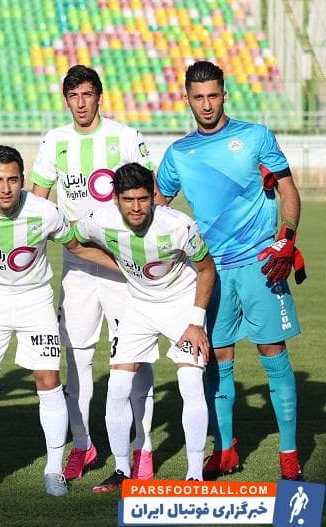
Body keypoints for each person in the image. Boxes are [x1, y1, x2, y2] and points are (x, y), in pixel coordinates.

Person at [157, 60, 304, 481]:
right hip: (213, 273)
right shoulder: (178, 154)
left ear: (224, 94)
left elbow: (288, 190)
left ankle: (289, 454)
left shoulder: (255, 137)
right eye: (198, 97)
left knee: (272, 352)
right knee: (218, 358)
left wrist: (287, 236)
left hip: (261, 264)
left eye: (213, 95)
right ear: (186, 99)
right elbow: (156, 208)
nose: (206, 105)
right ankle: (224, 450)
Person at [0, 145, 116, 496]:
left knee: (48, 380)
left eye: (13, 179)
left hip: (35, 303)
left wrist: (125, 267)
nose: (6, 188)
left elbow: (76, 246)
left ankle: (54, 471)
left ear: (23, 180)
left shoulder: (45, 212)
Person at [31, 65, 156, 480]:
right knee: (77, 358)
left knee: (134, 356)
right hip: (78, 267)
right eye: (73, 96)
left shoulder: (125, 137)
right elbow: (39, 199)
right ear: (66, 100)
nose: (81, 103)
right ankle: (83, 445)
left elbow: (151, 194)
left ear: (99, 97)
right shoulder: (55, 140)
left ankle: (142, 447)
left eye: (87, 94)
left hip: (124, 267)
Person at [72, 163, 215, 491]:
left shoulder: (179, 226)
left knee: (190, 382)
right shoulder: (100, 220)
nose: (136, 207)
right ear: (115, 200)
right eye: (128, 200)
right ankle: (122, 471)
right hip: (137, 306)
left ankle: (194, 474)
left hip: (181, 306)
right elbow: (73, 241)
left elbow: (207, 270)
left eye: (143, 199)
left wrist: (195, 323)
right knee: (118, 387)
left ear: (153, 196)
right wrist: (121, 265)